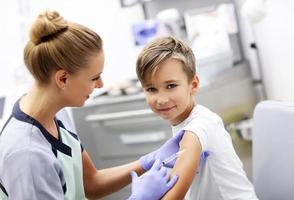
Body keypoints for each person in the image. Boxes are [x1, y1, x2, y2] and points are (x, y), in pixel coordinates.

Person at [0, 11, 184, 200]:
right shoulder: (27, 155)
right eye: (94, 77)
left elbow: (91, 184)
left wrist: (148, 162)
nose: (101, 85)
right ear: (63, 78)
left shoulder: (56, 114)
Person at [135, 36, 259, 200]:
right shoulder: (186, 121)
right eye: (151, 89)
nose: (161, 99)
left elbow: (174, 197)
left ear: (193, 85)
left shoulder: (197, 128)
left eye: (171, 86)